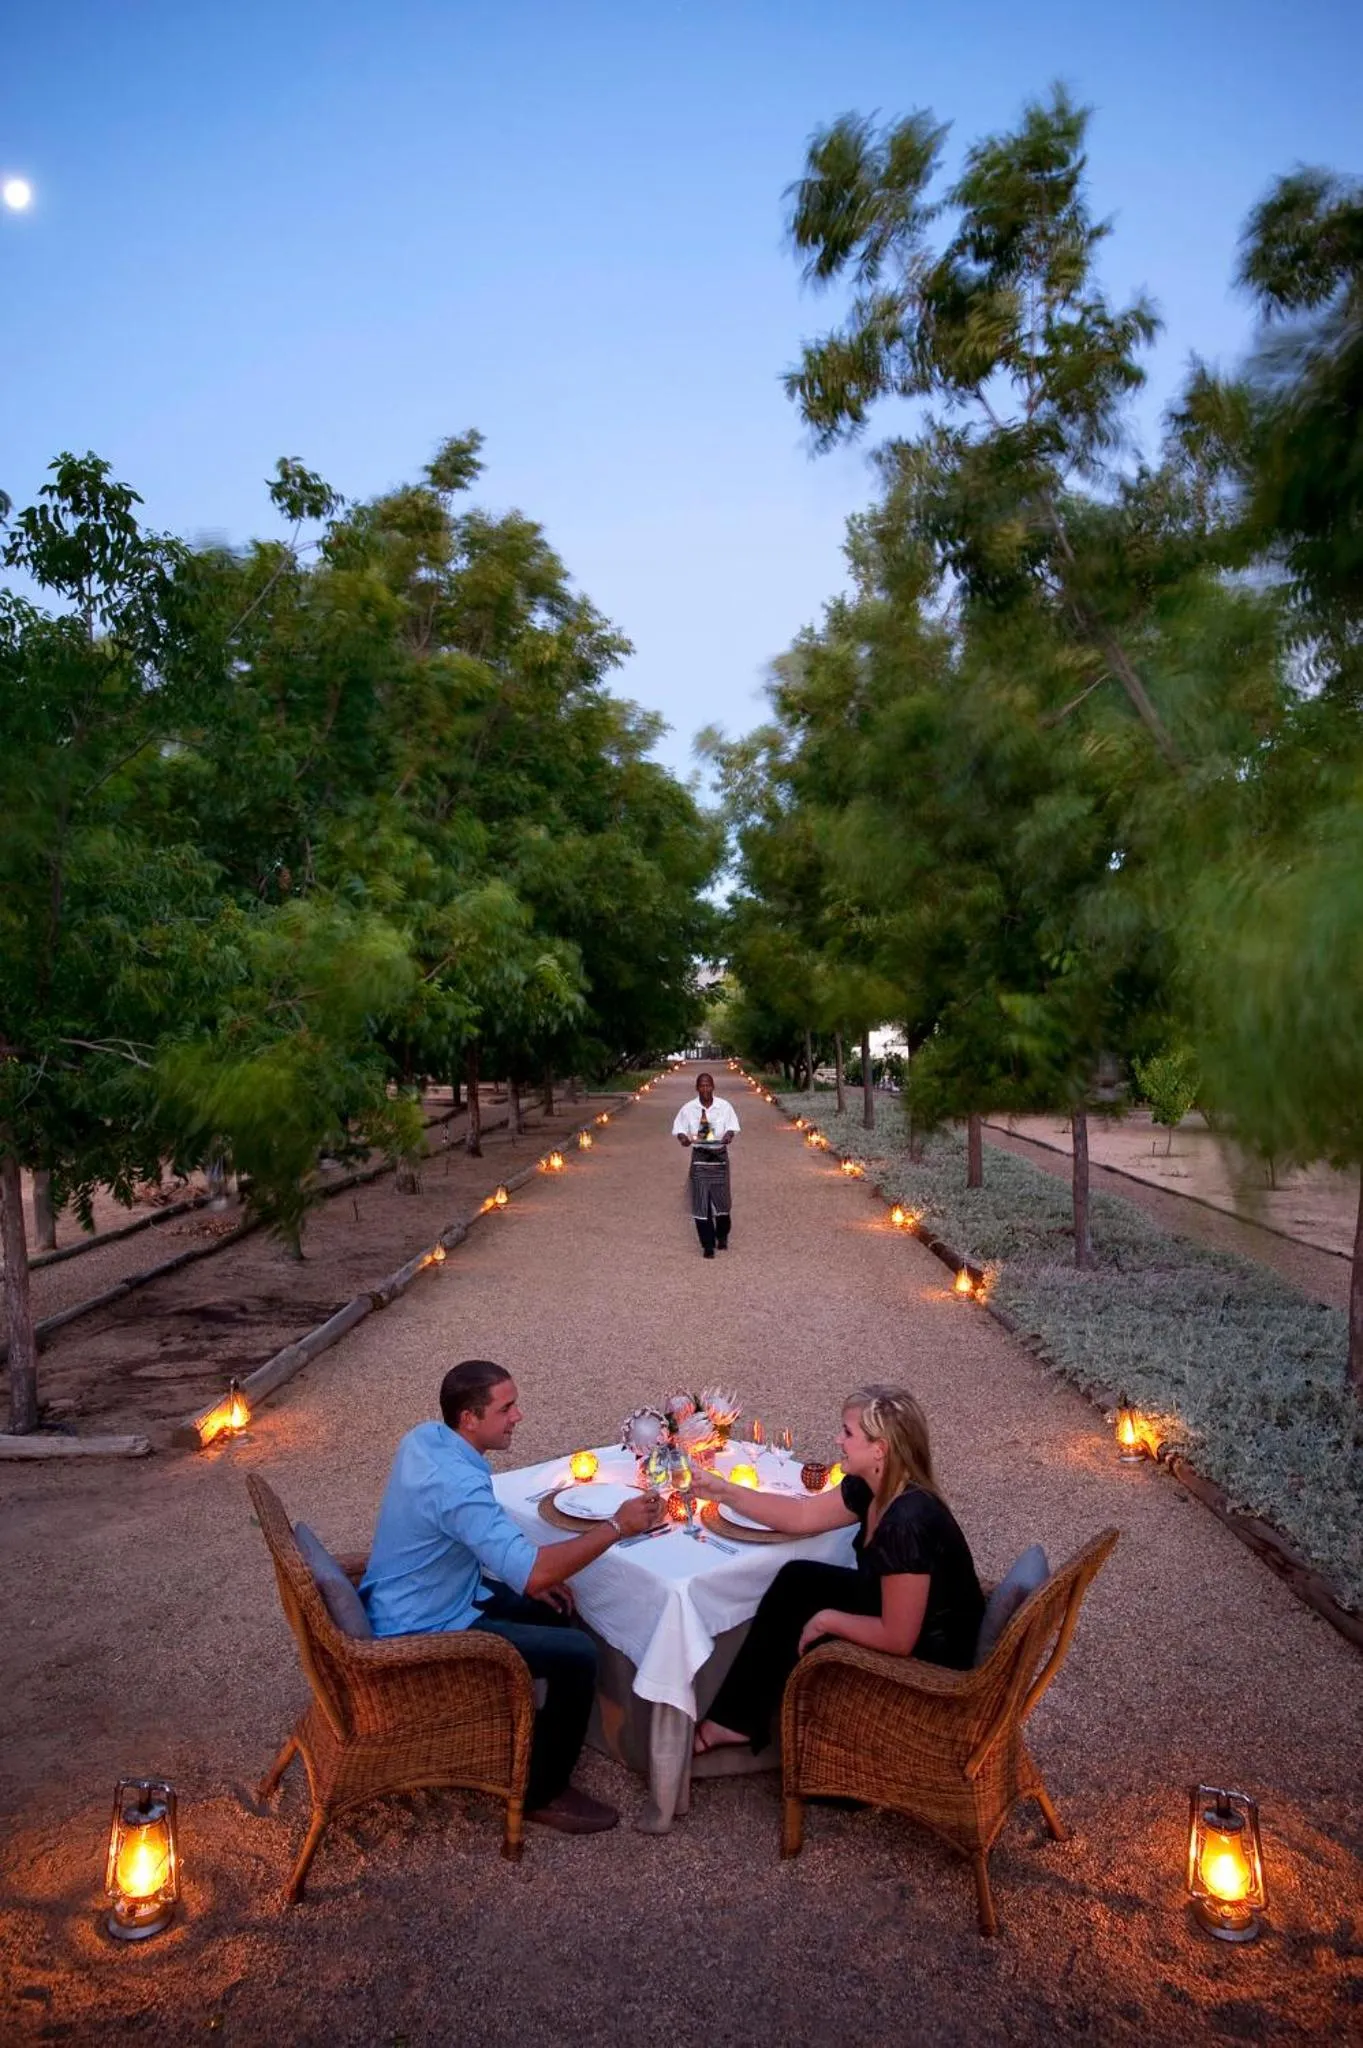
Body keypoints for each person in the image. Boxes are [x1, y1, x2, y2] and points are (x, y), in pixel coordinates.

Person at [361, 1359, 664, 1833]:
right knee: (577, 1654)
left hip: (430, 1593)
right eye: (506, 1409)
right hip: (424, 1625)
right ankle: (541, 1793)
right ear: (469, 1418)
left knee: (557, 1605)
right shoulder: (457, 1486)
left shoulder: (426, 1439)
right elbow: (534, 1571)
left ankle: (534, 1731)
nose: (517, 1416)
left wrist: (530, 1576)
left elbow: (515, 1561)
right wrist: (616, 1526)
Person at [689, 1386, 985, 1756]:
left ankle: (782, 1727)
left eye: (847, 1433)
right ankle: (736, 1722)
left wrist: (828, 1620)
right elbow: (801, 1516)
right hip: (894, 1608)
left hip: (934, 1655)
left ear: (879, 1449)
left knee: (807, 1611)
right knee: (797, 1580)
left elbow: (899, 1639)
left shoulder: (907, 1521)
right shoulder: (872, 1486)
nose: (837, 1440)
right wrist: (723, 1491)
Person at [672, 1069, 740, 1257]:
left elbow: (732, 1128)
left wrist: (728, 1135)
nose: (705, 1088)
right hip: (700, 1159)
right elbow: (679, 1130)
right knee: (701, 1203)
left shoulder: (724, 1107)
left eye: (708, 1085)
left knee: (723, 1204)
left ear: (713, 1086)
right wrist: (683, 1139)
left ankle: (722, 1235)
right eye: (701, 1085)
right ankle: (707, 1245)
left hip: (719, 1159)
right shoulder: (688, 1109)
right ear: (697, 1088)